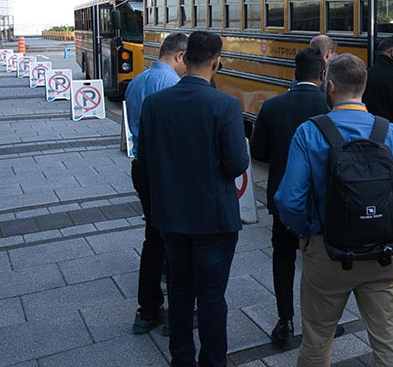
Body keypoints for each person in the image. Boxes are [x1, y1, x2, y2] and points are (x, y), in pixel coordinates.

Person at [276, 53, 393, 367]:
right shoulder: (392, 133)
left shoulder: (309, 132)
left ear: (330, 86)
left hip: (328, 254)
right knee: (388, 344)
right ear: (363, 87)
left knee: (316, 342)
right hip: (385, 256)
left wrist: (304, 233)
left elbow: (289, 200)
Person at [138, 31, 249, 367]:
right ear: (217, 62)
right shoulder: (225, 105)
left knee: (180, 291)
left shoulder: (155, 104)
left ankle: (181, 359)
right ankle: (213, 361)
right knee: (212, 297)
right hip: (215, 219)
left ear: (184, 59)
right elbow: (237, 163)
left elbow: (144, 159)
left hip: (172, 217)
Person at [250, 47, 329, 344]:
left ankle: (285, 320)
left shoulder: (272, 106)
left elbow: (258, 153)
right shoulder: (330, 106)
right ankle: (323, 322)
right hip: (322, 201)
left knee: (283, 258)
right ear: (322, 74)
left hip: (284, 199)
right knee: (321, 262)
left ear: (295, 73)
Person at [124, 32, 187, 334]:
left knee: (154, 237)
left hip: (142, 168)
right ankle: (177, 315)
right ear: (180, 56)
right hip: (166, 172)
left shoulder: (137, 81)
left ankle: (148, 310)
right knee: (174, 240)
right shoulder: (172, 86)